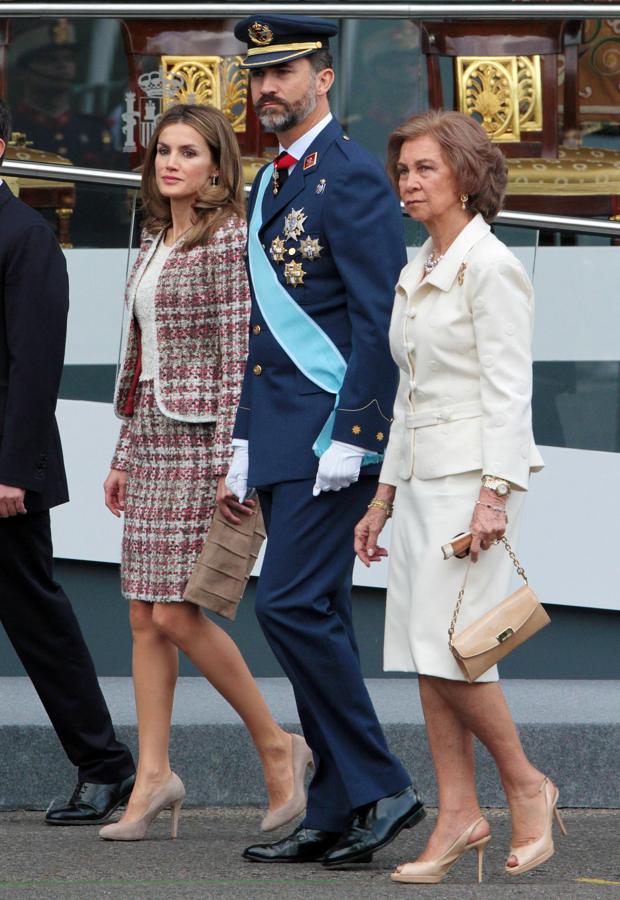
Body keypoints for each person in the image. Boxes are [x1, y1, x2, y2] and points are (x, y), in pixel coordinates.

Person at [224, 15, 424, 868]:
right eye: (258, 76)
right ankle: (337, 809)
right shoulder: (272, 178)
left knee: (288, 607)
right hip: (279, 438)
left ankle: (384, 785)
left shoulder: (351, 177)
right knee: (322, 617)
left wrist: (356, 432)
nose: (268, 89)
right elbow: (264, 329)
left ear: (324, 77)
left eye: (285, 73)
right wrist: (240, 437)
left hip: (328, 441)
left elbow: (381, 317)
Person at [354, 110, 564, 884]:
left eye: (424, 170)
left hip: (472, 487)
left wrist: (495, 498)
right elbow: (410, 398)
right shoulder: (420, 268)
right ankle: (456, 813)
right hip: (419, 489)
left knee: (457, 651)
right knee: (426, 654)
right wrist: (381, 498)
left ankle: (524, 784)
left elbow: (511, 394)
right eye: (403, 170)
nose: (408, 182)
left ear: (467, 177)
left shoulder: (492, 267)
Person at [100, 103, 311, 841]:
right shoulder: (157, 234)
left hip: (204, 443)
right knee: (140, 613)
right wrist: (124, 451)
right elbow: (141, 353)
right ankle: (154, 775)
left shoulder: (226, 240)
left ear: (217, 166)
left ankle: (278, 744)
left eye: (188, 152)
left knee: (177, 611)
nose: (171, 162)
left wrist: (234, 459)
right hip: (153, 434)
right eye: (164, 150)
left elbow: (234, 358)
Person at [0, 99, 136, 825]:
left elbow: (33, 368)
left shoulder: (25, 238)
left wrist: (14, 471)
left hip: (3, 473)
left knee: (37, 621)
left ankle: (106, 765)